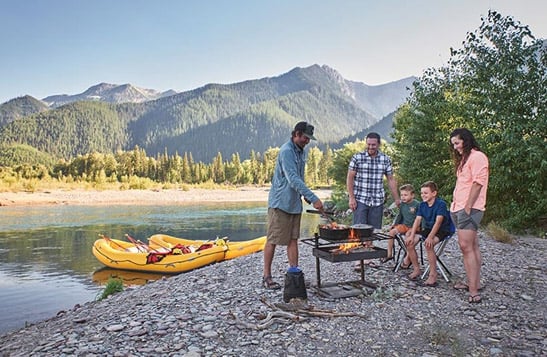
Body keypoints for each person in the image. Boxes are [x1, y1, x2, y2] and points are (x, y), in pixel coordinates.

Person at [263, 121, 324, 290]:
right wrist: (313, 197)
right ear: (296, 134)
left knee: (293, 239)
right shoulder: (287, 151)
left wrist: (304, 195)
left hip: (294, 203)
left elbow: (300, 177)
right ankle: (266, 276)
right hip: (280, 203)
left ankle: (294, 274)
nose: (307, 141)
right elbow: (292, 178)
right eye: (305, 137)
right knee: (273, 239)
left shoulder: (300, 152)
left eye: (309, 138)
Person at [347, 132, 400, 268]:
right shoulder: (357, 157)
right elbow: (350, 178)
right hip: (360, 198)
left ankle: (368, 257)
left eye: (373, 145)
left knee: (372, 230)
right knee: (359, 229)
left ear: (379, 144)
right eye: (369, 144)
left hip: (377, 199)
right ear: (366, 143)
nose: (371, 147)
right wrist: (351, 197)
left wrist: (397, 199)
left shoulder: (385, 159)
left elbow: (391, 179)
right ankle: (359, 259)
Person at [449, 128, 489, 304]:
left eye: (457, 143)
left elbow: (478, 183)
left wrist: (467, 207)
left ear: (465, 140)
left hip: (470, 208)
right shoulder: (464, 159)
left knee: (466, 247)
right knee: (472, 245)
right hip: (458, 207)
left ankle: (473, 291)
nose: (456, 147)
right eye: (453, 144)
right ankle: (474, 283)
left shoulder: (477, 157)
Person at [405, 181, 454, 287]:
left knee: (428, 244)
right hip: (428, 228)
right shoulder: (422, 205)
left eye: (426, 193)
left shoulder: (441, 204)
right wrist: (412, 235)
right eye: (422, 193)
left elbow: (438, 222)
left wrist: (430, 237)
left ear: (434, 193)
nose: (423, 195)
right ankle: (416, 269)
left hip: (442, 229)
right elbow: (417, 221)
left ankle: (433, 275)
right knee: (409, 242)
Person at [383, 184, 419, 264]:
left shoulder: (417, 204)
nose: (403, 197)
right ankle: (389, 253)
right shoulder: (402, 204)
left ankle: (408, 257)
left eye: (405, 195)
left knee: (408, 236)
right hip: (405, 225)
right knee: (391, 232)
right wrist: (394, 225)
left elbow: (420, 218)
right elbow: (400, 216)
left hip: (414, 227)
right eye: (401, 195)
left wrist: (421, 228)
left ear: (412, 195)